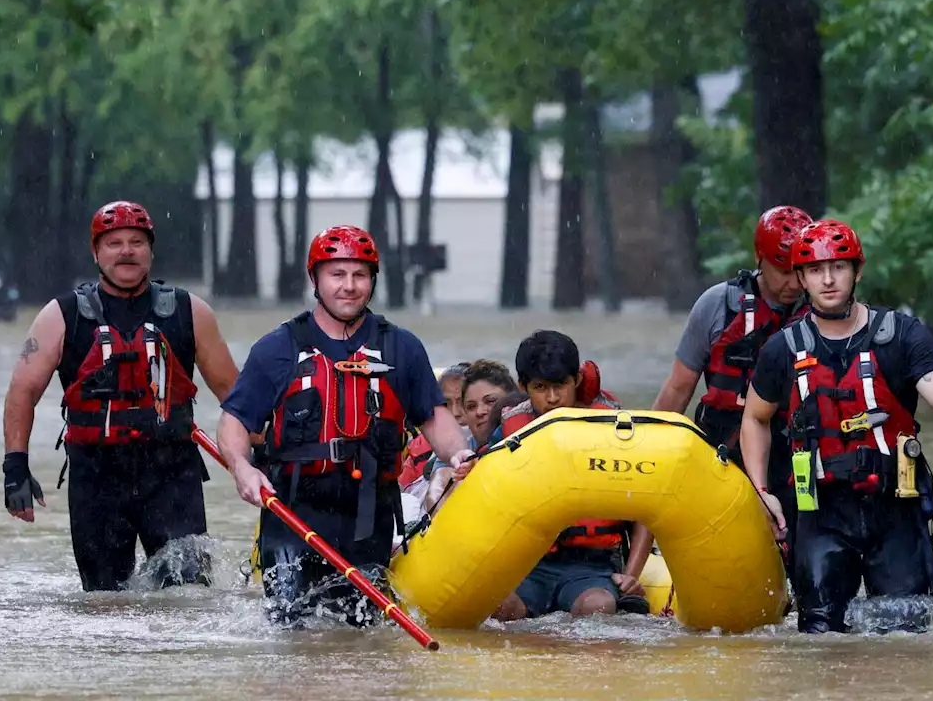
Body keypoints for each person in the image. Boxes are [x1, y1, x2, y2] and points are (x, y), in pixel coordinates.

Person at [215, 224, 473, 626]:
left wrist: (457, 452)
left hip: (367, 516)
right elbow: (234, 422)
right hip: (294, 514)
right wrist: (241, 467)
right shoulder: (278, 347)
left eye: (360, 275)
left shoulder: (401, 348)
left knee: (359, 637)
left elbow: (434, 418)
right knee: (290, 628)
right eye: (337, 274)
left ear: (372, 280)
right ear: (315, 279)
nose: (349, 286)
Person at [739, 219, 933, 634]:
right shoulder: (783, 348)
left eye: (839, 267)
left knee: (906, 632)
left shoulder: (903, 335)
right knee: (820, 634)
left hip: (896, 507)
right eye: (816, 270)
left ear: (858, 271)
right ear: (801, 278)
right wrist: (762, 491)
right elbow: (755, 419)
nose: (829, 279)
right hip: (821, 513)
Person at [1, 201, 240, 591]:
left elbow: (234, 393)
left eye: (136, 242)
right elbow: (21, 393)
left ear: (151, 252)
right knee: (105, 604)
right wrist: (15, 468)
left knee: (188, 596)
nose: (126, 251)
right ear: (96, 253)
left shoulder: (189, 311)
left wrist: (265, 456)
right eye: (114, 243)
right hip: (96, 477)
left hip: (171, 474)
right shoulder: (62, 315)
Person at [454, 330, 650, 620]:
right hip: (527, 565)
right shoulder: (511, 428)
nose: (553, 398)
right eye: (541, 387)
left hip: (591, 569)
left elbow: (648, 506)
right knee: (495, 608)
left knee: (598, 608)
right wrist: (472, 473)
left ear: (577, 381)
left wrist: (631, 575)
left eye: (561, 385)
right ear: (523, 386)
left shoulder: (614, 430)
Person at [653, 205, 814, 531]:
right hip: (723, 448)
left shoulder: (825, 311)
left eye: (801, 270)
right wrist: (649, 454)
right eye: (782, 271)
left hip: (800, 455)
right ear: (759, 258)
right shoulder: (716, 305)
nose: (794, 284)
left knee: (809, 536)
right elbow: (678, 389)